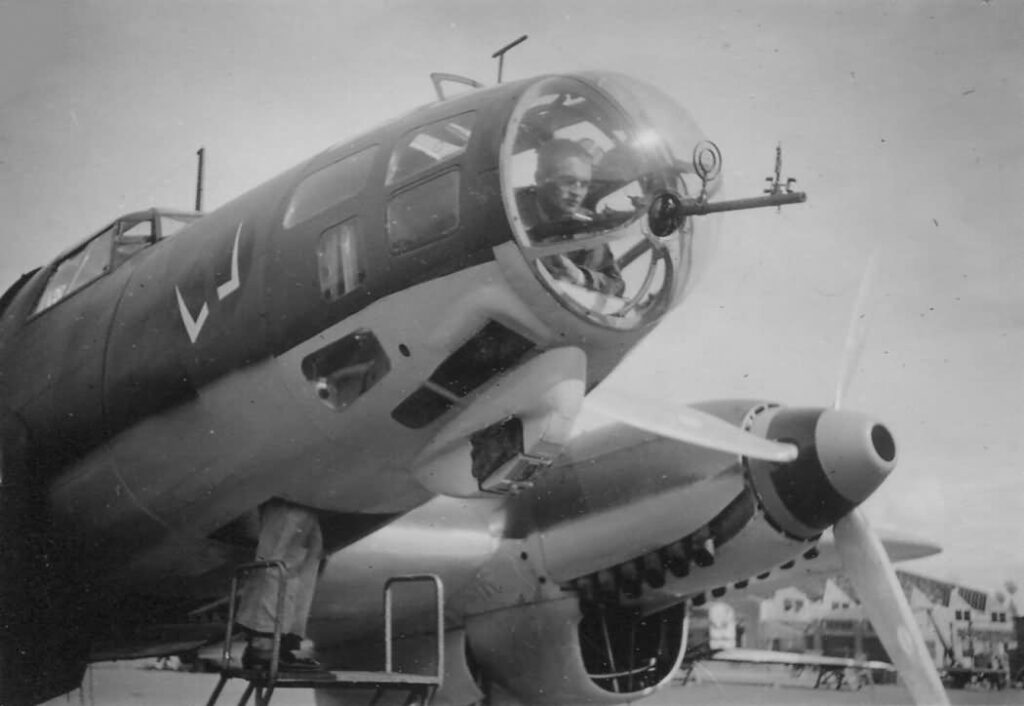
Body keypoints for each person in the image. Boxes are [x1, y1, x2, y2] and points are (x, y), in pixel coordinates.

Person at [523, 139, 625, 297]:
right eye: (568, 181)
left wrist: (579, 277)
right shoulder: (509, 209)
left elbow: (616, 285)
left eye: (584, 184)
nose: (577, 193)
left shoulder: (588, 226)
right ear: (540, 178)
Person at [236, 499, 325, 672]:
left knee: (310, 551)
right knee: (280, 555)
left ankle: (283, 643)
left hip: (311, 488)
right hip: (291, 489)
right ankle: (263, 646)